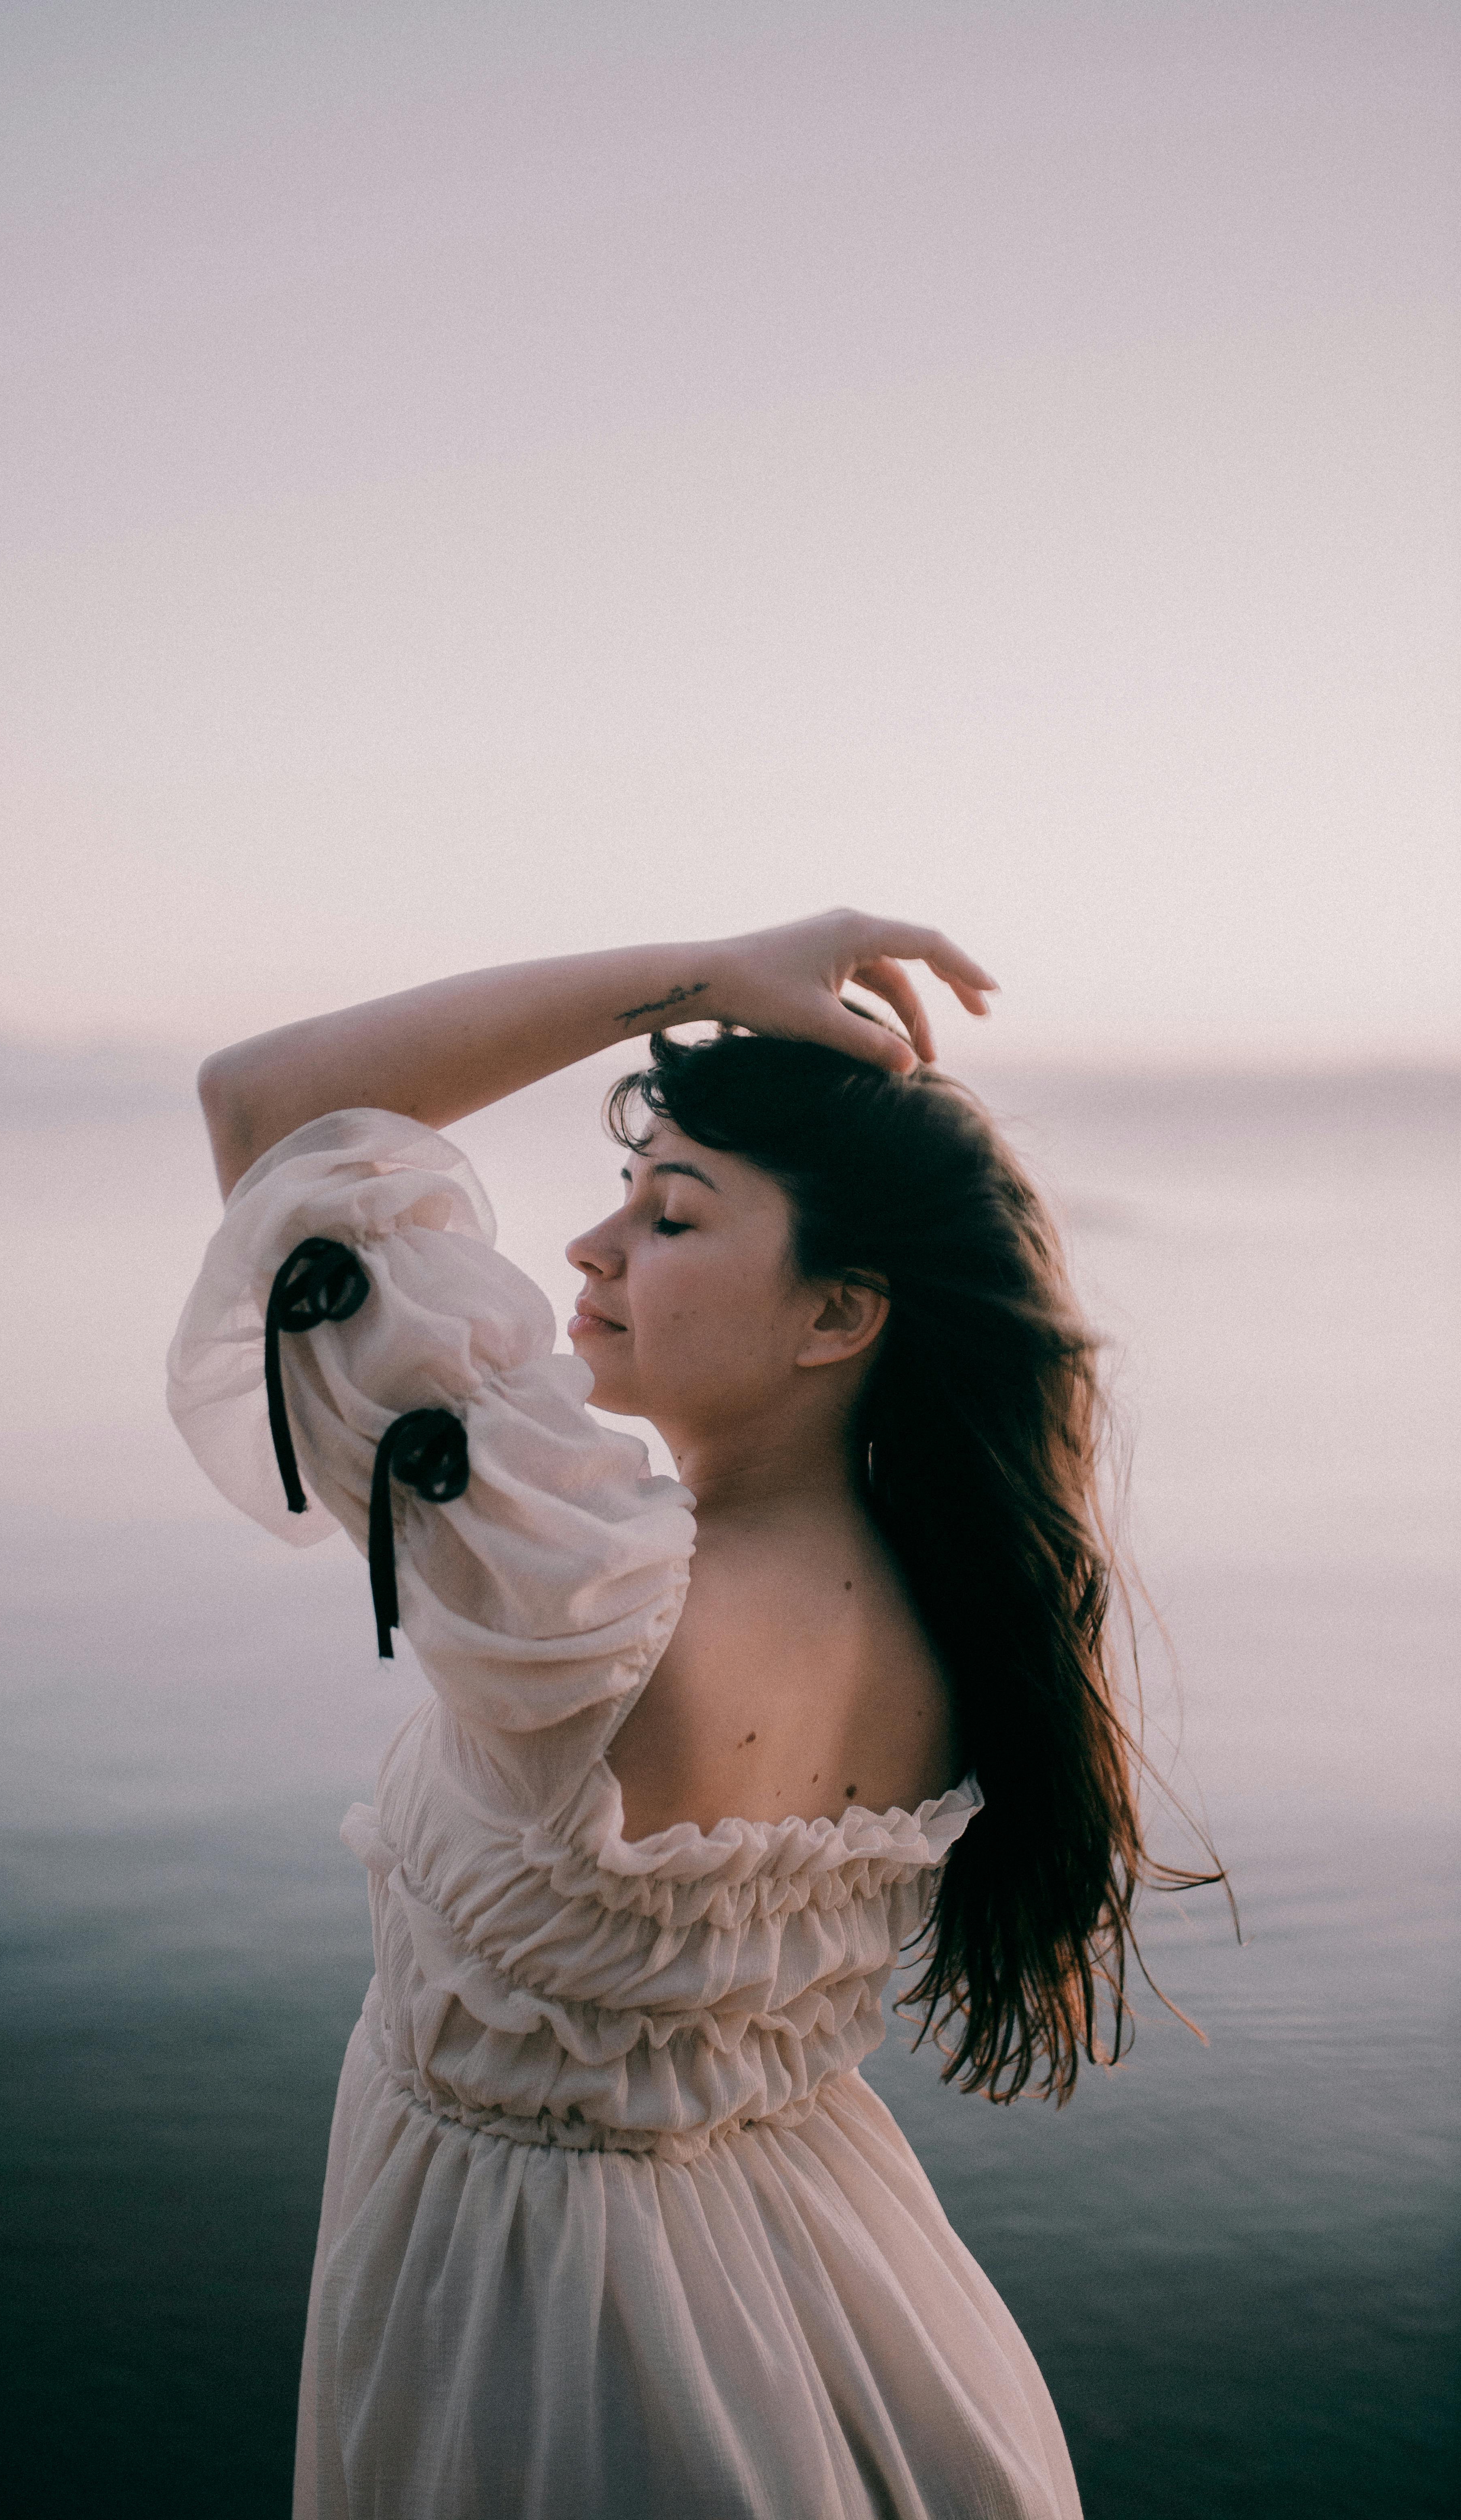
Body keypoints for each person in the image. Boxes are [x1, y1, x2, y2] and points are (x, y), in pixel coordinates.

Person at [168, 909, 1159, 2519]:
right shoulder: (963, 1618)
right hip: (847, 2310)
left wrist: (699, 975)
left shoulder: (584, 1610)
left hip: (556, 2350)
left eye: (671, 1217)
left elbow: (265, 1105)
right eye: (626, 1196)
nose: (589, 1249)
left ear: (838, 1316)